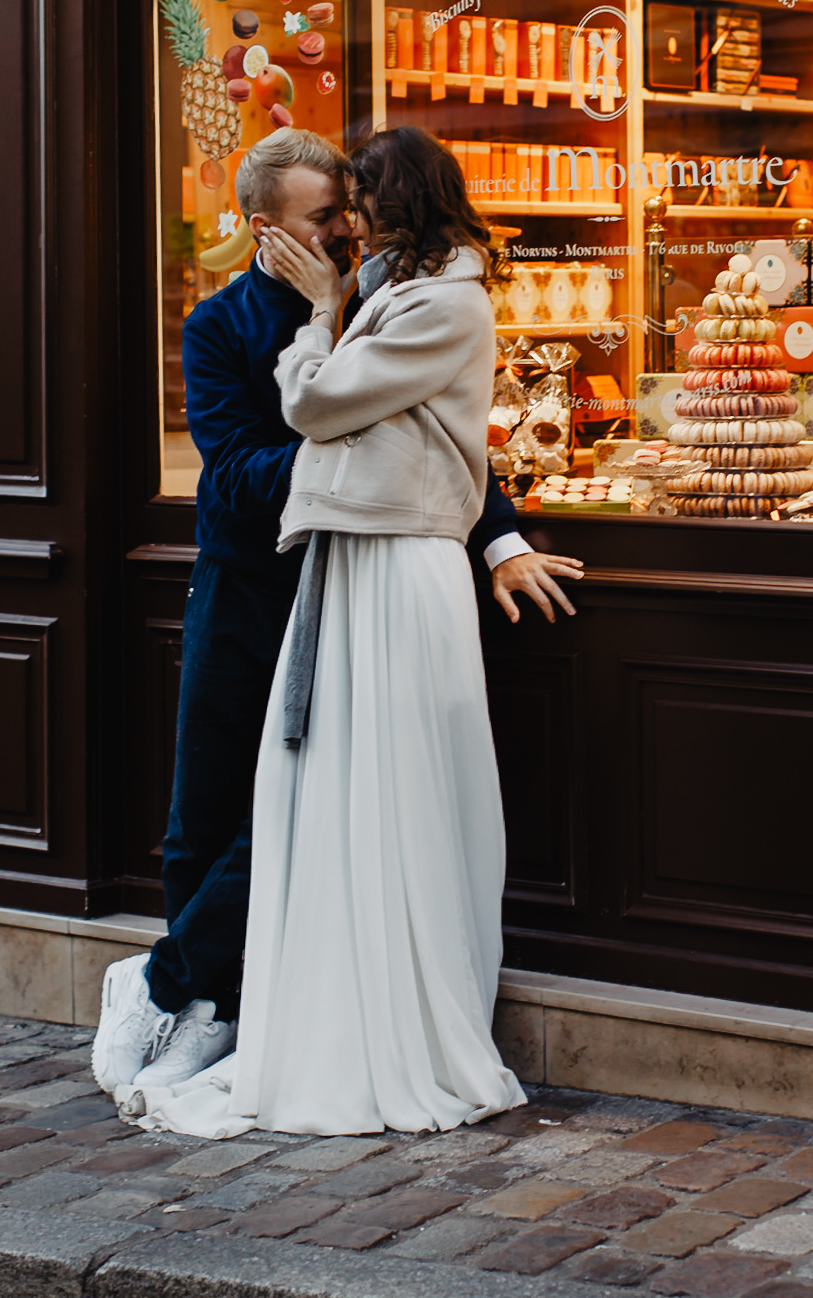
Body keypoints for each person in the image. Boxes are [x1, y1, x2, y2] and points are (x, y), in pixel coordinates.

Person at [92, 128, 582, 1101]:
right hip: (249, 588)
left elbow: (440, 435)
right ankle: (195, 1006)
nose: (346, 231)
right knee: (209, 813)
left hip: (361, 585)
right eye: (326, 218)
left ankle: (199, 995)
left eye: (351, 214)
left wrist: (500, 537)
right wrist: (357, 462)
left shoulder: (374, 300)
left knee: (302, 811)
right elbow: (231, 482)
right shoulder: (218, 325)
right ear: (263, 227)